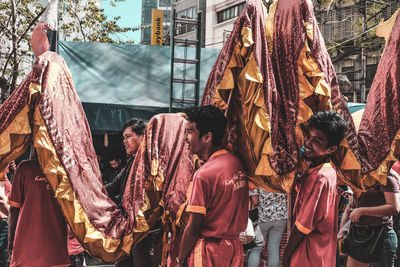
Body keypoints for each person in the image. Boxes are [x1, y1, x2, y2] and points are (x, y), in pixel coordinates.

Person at [177, 105, 249, 267]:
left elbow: (193, 227)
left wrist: (180, 259)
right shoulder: (236, 163)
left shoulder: (203, 174)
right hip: (234, 250)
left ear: (207, 137)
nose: (186, 138)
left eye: (189, 132)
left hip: (209, 253)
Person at [282, 110, 347, 267]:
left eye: (317, 141)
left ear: (331, 149)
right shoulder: (325, 169)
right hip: (321, 253)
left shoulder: (320, 178)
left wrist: (285, 256)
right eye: (309, 137)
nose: (308, 143)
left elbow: (303, 226)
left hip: (308, 254)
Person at [106, 118, 161, 267]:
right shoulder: (131, 162)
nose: (124, 141)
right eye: (124, 138)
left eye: (128, 136)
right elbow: (113, 187)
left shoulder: (152, 163)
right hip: (129, 228)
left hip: (146, 231)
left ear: (143, 136)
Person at [7, 159, 70, 267]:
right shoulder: (63, 167)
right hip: (56, 246)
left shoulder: (25, 167)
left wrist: (11, 239)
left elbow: (14, 209)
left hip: (26, 248)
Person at [339, 161, 400, 267]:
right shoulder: (359, 173)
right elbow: (352, 206)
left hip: (380, 235)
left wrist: (362, 210)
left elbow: (394, 207)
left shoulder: (386, 174)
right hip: (359, 234)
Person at [248, 189, 287, 267]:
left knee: (256, 249)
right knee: (274, 248)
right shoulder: (283, 176)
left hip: (263, 218)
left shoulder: (258, 178)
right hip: (280, 217)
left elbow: (255, 201)